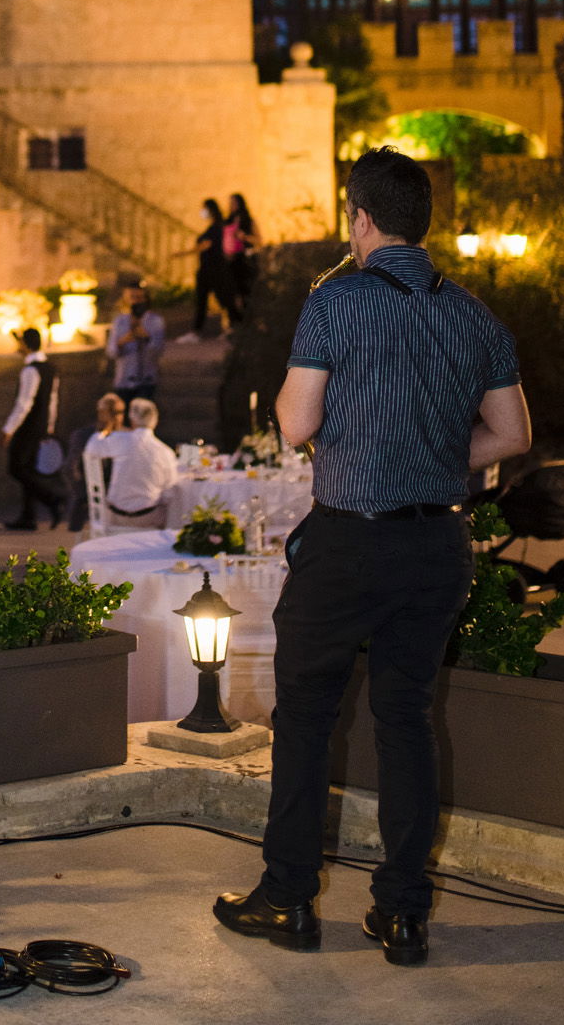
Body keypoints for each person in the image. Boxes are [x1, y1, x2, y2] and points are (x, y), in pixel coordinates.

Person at [214, 147, 532, 968]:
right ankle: (400, 915)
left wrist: (364, 444)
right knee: (407, 723)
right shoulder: (474, 316)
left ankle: (286, 899)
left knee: (306, 720)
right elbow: (510, 435)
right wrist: (425, 455)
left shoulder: (334, 302)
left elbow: (290, 424)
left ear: (359, 216)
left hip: (348, 542)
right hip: (436, 547)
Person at [2, 328, 62, 532]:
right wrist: (50, 425)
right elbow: (53, 399)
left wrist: (9, 429)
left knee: (17, 468)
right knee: (28, 469)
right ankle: (28, 516)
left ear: (26, 344)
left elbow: (24, 403)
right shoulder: (50, 368)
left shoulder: (30, 370)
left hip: (28, 427)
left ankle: (52, 499)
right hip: (40, 426)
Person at [100, 398, 178, 529]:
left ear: (132, 420)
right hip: (147, 517)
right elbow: (169, 492)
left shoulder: (117, 440)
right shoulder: (165, 451)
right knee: (172, 509)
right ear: (155, 421)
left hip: (115, 515)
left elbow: (92, 448)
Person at [64, 392, 126, 532]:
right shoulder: (83, 436)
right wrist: (86, 493)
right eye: (113, 412)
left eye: (121, 412)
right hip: (90, 495)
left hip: (121, 497)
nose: (118, 417)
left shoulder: (127, 436)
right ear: (101, 413)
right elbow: (70, 468)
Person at [185, 198, 239, 339]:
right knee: (209, 300)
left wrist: (181, 254)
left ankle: (234, 327)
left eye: (204, 209)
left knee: (223, 299)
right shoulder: (215, 227)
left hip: (213, 269)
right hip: (209, 269)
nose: (202, 212)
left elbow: (205, 245)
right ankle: (198, 330)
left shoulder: (216, 228)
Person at [106, 286, 166, 409]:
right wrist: (122, 341)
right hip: (124, 379)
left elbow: (159, 350)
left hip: (147, 379)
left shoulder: (155, 321)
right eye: (132, 298)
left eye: (139, 298)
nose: (136, 302)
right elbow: (111, 351)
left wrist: (147, 338)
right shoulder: (120, 322)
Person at [224, 193, 261, 317]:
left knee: (246, 291)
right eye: (230, 203)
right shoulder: (227, 222)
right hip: (231, 260)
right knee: (232, 292)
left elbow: (258, 240)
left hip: (245, 260)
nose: (231, 206)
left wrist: (244, 237)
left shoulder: (248, 221)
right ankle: (236, 322)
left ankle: (249, 320)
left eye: (234, 203)